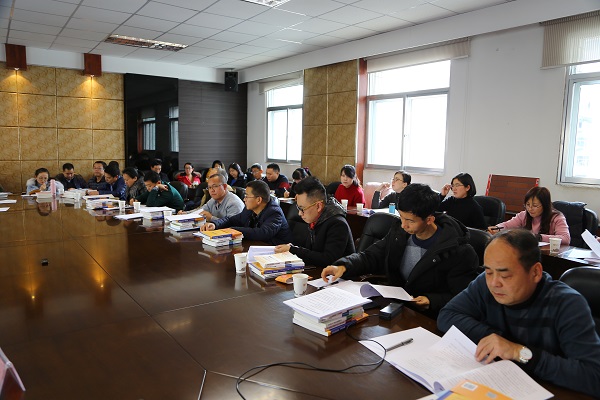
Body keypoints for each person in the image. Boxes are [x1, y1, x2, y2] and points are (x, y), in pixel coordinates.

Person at [437, 229, 600, 397]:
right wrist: (494, 338)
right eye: (488, 272)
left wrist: (518, 352)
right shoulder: (484, 284)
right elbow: (447, 315)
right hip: (499, 382)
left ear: (535, 272)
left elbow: (594, 376)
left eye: (505, 275)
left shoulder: (567, 304)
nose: (494, 283)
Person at [322, 183, 478, 318]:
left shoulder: (459, 251)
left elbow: (464, 296)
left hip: (429, 317)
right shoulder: (400, 233)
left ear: (429, 220)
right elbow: (372, 256)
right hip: (396, 308)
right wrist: (343, 266)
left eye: (410, 221)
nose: (403, 225)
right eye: (401, 217)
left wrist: (432, 300)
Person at [275, 177, 354, 267]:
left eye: (302, 208)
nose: (299, 213)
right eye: (298, 208)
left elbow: (328, 260)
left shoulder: (338, 224)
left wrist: (293, 250)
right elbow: (311, 252)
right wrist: (293, 248)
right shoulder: (316, 218)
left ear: (318, 206)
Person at [201, 180, 292, 245]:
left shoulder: (274, 213)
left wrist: (233, 230)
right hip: (256, 246)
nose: (244, 199)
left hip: (277, 252)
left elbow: (262, 233)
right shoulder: (249, 209)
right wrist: (215, 224)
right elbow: (232, 220)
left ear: (258, 200)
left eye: (247, 196)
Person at [488, 186, 570, 245]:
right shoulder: (524, 215)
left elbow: (566, 239)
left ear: (545, 205)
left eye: (535, 205)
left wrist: (539, 237)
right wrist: (497, 228)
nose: (530, 209)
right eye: (527, 205)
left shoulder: (557, 217)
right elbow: (507, 225)